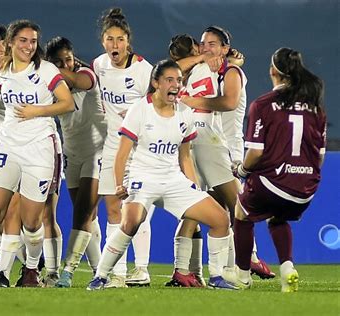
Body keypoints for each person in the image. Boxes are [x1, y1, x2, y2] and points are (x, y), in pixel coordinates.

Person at [87, 60, 235, 290]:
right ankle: (101, 276)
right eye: (169, 80)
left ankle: (216, 276)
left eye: (178, 80)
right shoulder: (140, 109)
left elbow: (185, 157)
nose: (176, 85)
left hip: (173, 180)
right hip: (142, 178)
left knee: (220, 220)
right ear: (156, 83)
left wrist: (194, 189)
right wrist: (119, 184)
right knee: (131, 223)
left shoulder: (185, 113)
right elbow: (122, 153)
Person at [0, 19, 74, 288]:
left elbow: (67, 103)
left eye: (33, 41)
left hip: (39, 148)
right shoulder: (3, 69)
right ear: (11, 42)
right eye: (23, 40)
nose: (29, 46)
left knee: (32, 220)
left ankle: (30, 270)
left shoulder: (46, 70)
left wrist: (35, 110)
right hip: (7, 146)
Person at [224, 47, 326, 292]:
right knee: (277, 216)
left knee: (241, 213)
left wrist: (242, 170)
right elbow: (319, 157)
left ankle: (242, 275)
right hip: (305, 189)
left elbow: (256, 153)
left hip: (272, 183)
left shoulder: (263, 104)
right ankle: (287, 268)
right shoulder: (316, 108)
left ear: (273, 71)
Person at [180, 26, 274, 280]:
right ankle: (242, 263)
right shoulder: (220, 70)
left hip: (216, 145)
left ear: (224, 48)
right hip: (216, 147)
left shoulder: (225, 72)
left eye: (212, 43)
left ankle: (187, 270)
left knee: (207, 209)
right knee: (240, 208)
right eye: (203, 44)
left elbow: (228, 101)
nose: (206, 48)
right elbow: (229, 102)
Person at [92, 7, 154, 288]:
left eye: (119, 39)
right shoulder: (98, 65)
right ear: (102, 41)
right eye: (109, 39)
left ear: (128, 41)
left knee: (136, 209)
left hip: (140, 149)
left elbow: (156, 107)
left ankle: (141, 269)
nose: (114, 45)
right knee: (113, 208)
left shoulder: (144, 69)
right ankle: (117, 272)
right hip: (111, 146)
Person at [44, 36, 107, 288]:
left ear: (74, 58)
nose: (65, 65)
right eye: (58, 61)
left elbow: (77, 80)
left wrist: (45, 68)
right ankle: (99, 272)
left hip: (97, 151)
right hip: (72, 154)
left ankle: (67, 271)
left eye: (67, 59)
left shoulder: (86, 75)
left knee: (82, 212)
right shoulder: (52, 87)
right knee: (88, 218)